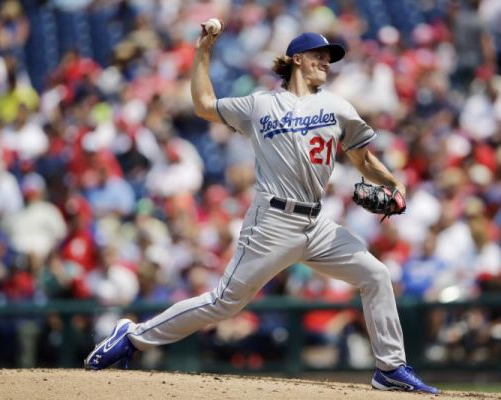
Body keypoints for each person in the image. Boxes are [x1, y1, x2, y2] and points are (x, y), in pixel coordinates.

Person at [84, 23, 439, 394]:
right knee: (224, 302)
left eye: (329, 58)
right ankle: (132, 337)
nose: (326, 62)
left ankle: (390, 368)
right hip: (272, 221)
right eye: (319, 55)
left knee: (376, 276)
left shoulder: (338, 107)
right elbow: (204, 106)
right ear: (296, 60)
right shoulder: (260, 103)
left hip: (317, 225)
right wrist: (203, 52)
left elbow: (363, 161)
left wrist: (394, 184)